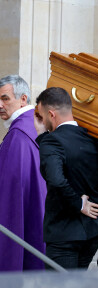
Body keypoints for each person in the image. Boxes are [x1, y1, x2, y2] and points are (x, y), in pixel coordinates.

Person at [34, 87, 98, 269]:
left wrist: (79, 204)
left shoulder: (52, 140)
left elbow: (56, 179)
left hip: (64, 233)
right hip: (92, 229)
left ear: (51, 114)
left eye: (42, 116)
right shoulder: (92, 138)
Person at [0, 75, 46, 271]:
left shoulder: (18, 137)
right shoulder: (33, 125)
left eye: (5, 98)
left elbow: (10, 195)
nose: (0, 105)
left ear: (23, 99)